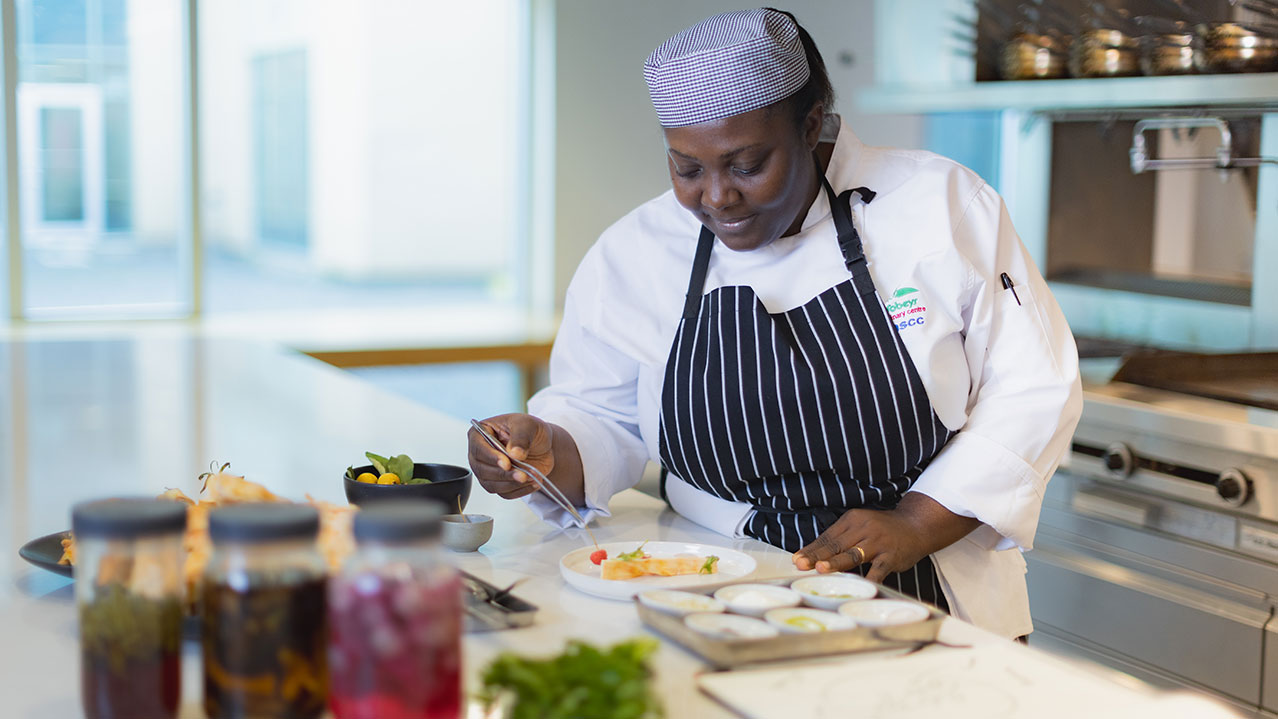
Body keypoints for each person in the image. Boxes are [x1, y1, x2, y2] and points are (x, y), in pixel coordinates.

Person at [467, 7, 1081, 639]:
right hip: (710, 586)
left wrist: (918, 522)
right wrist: (544, 449)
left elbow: (1032, 387)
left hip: (937, 593)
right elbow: (603, 414)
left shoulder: (938, 205)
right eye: (687, 168)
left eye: (746, 164)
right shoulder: (638, 249)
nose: (716, 196)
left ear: (813, 125)